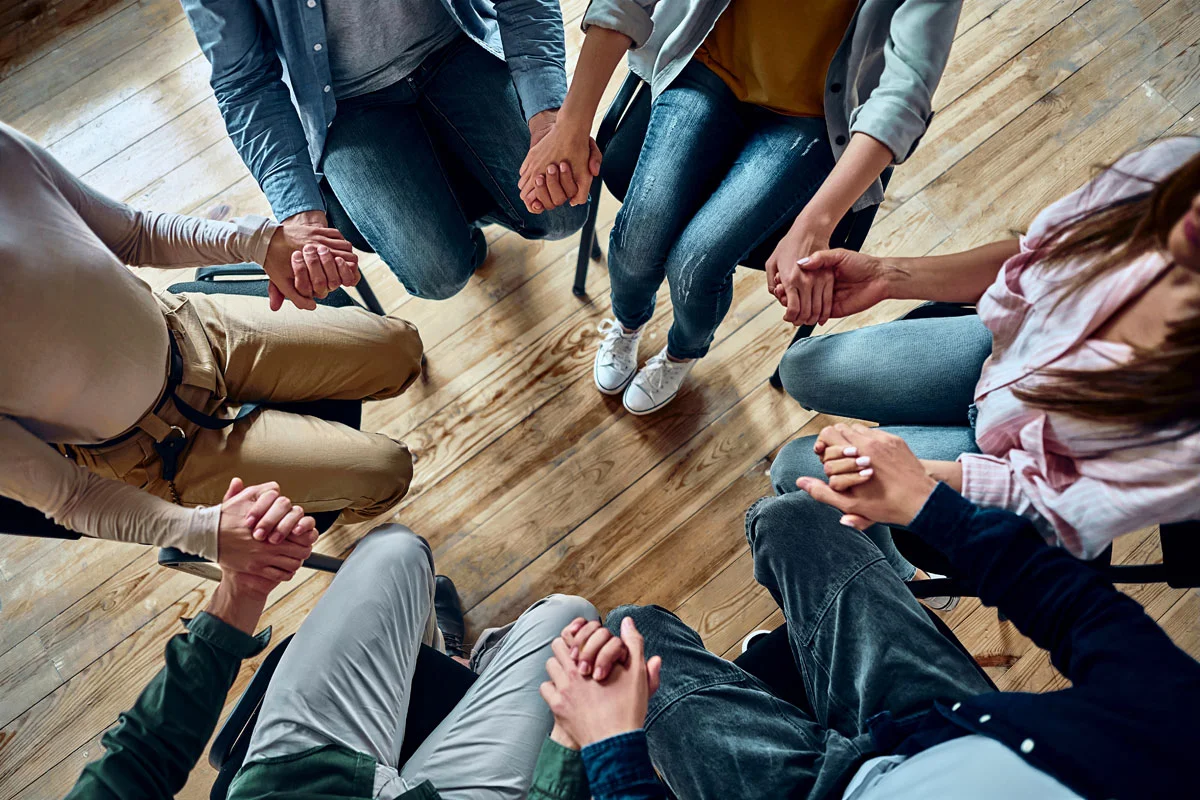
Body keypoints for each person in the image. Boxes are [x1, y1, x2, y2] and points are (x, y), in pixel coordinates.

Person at [527, 423, 1198, 800]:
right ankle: (796, 662)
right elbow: (1080, 611)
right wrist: (931, 504)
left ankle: (786, 668)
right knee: (794, 518)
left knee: (626, 631)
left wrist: (613, 753)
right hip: (935, 725)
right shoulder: (1180, 745)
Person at [768, 136, 1200, 597]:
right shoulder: (1171, 168)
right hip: (997, 357)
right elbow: (1033, 258)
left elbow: (1063, 505)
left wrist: (915, 482)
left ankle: (903, 573)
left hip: (1022, 473)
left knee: (792, 467)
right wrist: (888, 275)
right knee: (802, 366)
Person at [0, 123, 423, 574]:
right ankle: (335, 502)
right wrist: (204, 530)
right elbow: (73, 498)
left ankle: (320, 471)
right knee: (389, 470)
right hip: (155, 454)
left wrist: (260, 241)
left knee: (401, 348)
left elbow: (134, 233)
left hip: (189, 330)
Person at [518, 0, 961, 413]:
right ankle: (629, 323)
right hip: (708, 65)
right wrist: (571, 125)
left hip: (817, 117)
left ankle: (682, 351)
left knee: (698, 262)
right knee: (638, 240)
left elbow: (904, 92)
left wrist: (815, 222)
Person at [65, 523, 599, 799]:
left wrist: (239, 595)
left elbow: (137, 759)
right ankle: (462, 665)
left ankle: (438, 658)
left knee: (395, 551)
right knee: (573, 619)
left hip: (296, 783)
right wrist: (568, 752)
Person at [181, 0, 594, 302]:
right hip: (343, 105)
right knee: (437, 275)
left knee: (564, 209)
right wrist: (299, 213)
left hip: (458, 40)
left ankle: (458, 209)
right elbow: (245, 83)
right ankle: (459, 227)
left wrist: (548, 116)